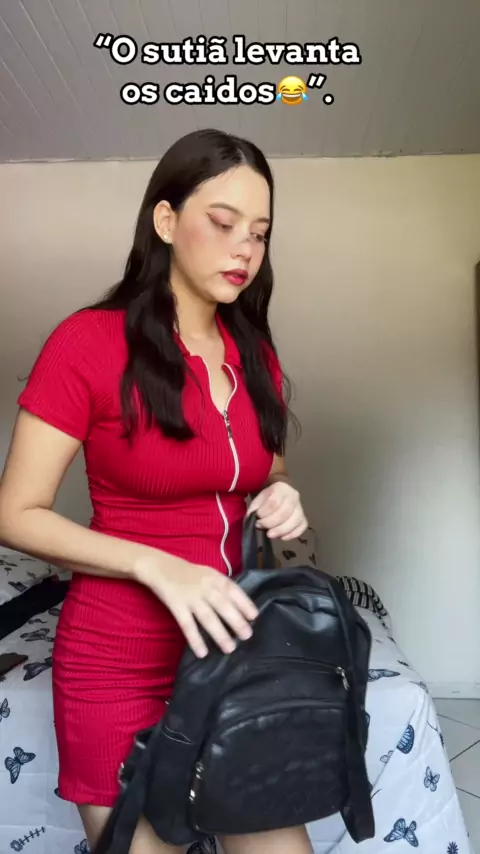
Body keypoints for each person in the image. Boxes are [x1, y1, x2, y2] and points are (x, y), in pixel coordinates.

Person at [0, 128, 311, 854]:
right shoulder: (88, 343)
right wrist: (156, 564)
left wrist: (283, 494)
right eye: (223, 222)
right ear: (166, 221)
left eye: (259, 233)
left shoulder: (253, 352)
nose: (244, 249)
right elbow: (14, 514)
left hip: (233, 653)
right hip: (116, 664)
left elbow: (265, 471)